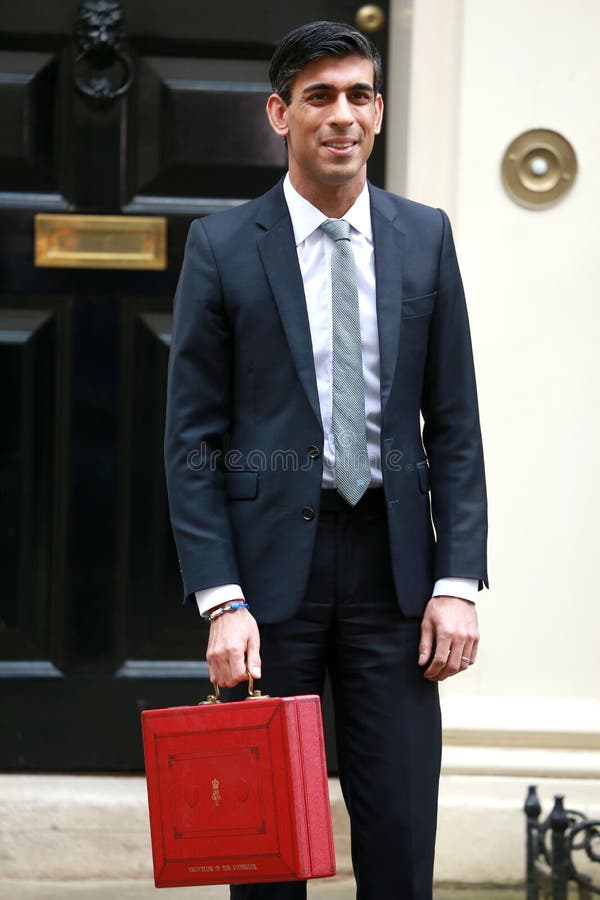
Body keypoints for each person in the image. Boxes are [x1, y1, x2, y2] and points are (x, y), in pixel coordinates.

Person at [164, 19, 488, 900]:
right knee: (269, 850)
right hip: (271, 583)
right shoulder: (223, 246)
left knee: (399, 831)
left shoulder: (426, 237)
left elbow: (454, 422)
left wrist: (457, 580)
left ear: (378, 111)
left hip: (396, 575)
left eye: (358, 95)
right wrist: (221, 601)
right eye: (319, 96)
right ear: (280, 113)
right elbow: (192, 441)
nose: (341, 115)